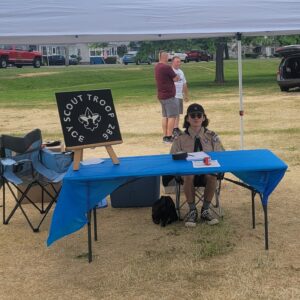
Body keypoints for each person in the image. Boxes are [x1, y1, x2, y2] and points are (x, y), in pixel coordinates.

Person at [170, 103, 224, 227]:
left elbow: (221, 155)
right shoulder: (180, 138)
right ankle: (192, 211)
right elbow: (173, 157)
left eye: (199, 115)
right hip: (187, 173)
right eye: (192, 115)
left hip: (207, 171)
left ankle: (205, 210)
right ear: (187, 118)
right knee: (188, 176)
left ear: (203, 118)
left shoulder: (212, 136)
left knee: (212, 175)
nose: (196, 118)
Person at [154, 51, 179, 144]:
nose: (168, 57)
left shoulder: (157, 67)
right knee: (172, 116)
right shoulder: (166, 67)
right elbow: (176, 78)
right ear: (165, 57)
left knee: (165, 116)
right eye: (167, 56)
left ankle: (165, 136)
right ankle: (169, 137)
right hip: (169, 96)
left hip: (161, 95)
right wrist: (178, 76)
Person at [171, 56, 189, 138]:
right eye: (177, 61)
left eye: (179, 61)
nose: (179, 63)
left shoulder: (181, 72)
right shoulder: (170, 71)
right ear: (173, 62)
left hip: (179, 95)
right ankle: (172, 130)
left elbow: (184, 84)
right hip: (172, 95)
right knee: (173, 114)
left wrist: (186, 95)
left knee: (178, 113)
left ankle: (176, 128)